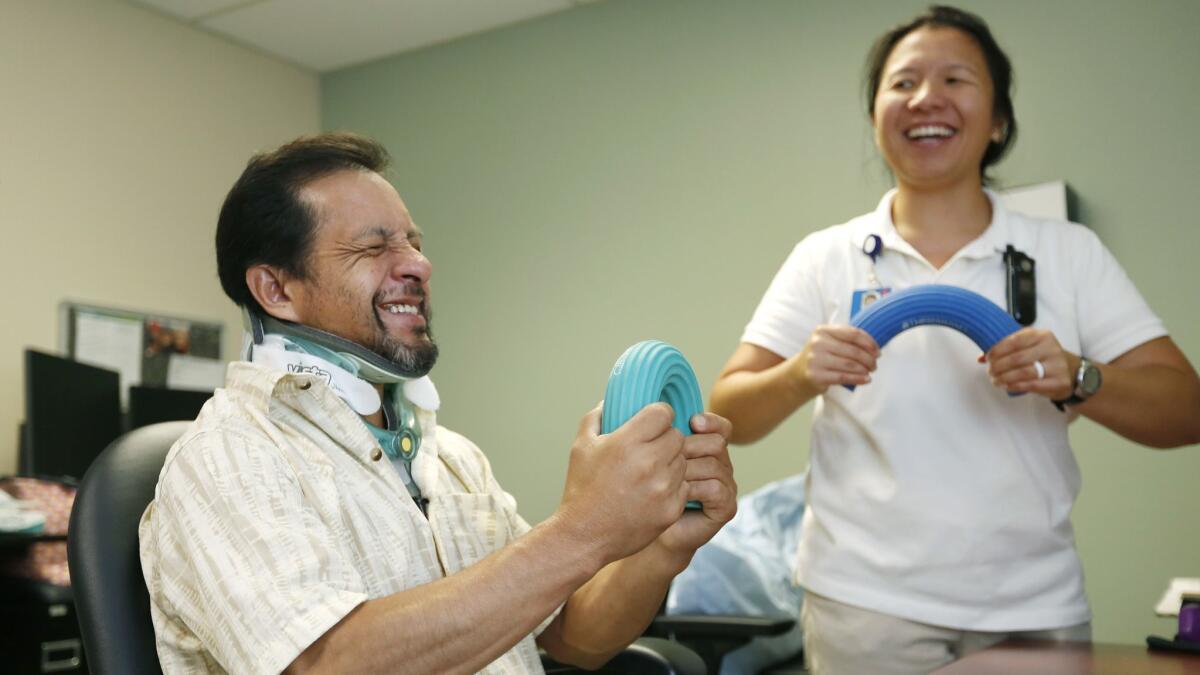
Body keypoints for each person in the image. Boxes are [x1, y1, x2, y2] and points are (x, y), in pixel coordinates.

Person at [709, 5, 1200, 675]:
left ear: (998, 120)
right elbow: (729, 410)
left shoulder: (1066, 252)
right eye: (903, 82)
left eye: (955, 80)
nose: (926, 99)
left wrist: (1080, 375)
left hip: (1032, 607)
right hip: (863, 604)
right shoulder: (825, 257)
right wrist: (800, 373)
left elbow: (1186, 407)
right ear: (877, 115)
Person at [137, 132, 738, 675]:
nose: (419, 265)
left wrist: (663, 543)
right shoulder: (226, 459)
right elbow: (327, 667)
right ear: (276, 288)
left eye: (414, 243)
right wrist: (583, 529)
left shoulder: (446, 455)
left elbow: (571, 637)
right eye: (373, 250)